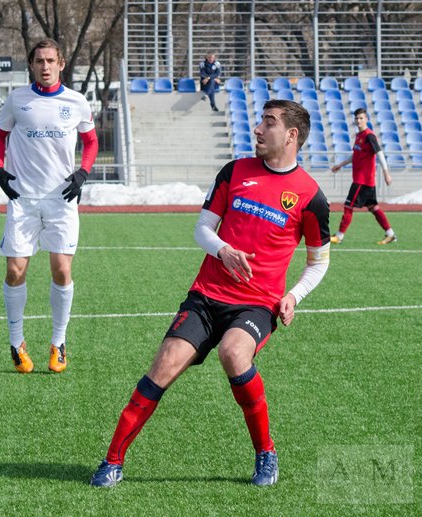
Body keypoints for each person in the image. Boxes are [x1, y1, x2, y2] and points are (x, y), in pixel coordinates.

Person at [90, 99, 330, 488]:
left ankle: (266, 453)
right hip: (206, 295)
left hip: (256, 304)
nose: (257, 129)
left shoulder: (310, 196)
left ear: (291, 135)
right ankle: (112, 460)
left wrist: (294, 296)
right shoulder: (234, 171)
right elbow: (203, 228)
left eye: (268, 123)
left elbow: (319, 261)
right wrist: (222, 249)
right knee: (163, 366)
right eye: (259, 121)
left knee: (234, 353)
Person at [0, 38, 98, 374]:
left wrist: (83, 172)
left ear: (61, 63)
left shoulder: (76, 101)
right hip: (22, 199)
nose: (45, 67)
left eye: (51, 60)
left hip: (61, 200)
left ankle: (58, 342)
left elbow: (91, 141)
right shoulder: (17, 99)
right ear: (32, 65)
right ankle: (16, 342)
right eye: (39, 61)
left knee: (62, 270)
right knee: (14, 271)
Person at [330, 108, 396, 245]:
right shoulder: (359, 136)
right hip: (364, 180)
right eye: (357, 118)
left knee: (348, 206)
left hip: (363, 180)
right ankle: (390, 234)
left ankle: (339, 236)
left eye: (361, 118)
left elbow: (380, 153)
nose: (358, 121)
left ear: (366, 119)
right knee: (373, 207)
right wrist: (340, 165)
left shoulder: (369, 136)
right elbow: (356, 155)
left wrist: (386, 173)